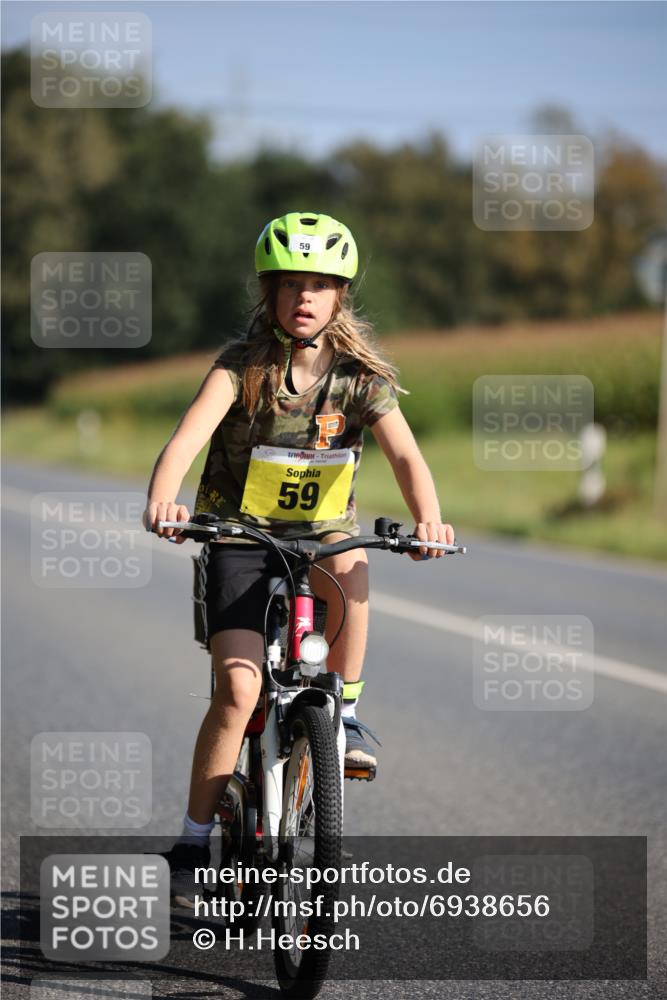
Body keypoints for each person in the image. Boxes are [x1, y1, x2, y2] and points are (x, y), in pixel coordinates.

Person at [143, 211, 454, 905]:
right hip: (238, 536)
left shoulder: (357, 378)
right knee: (239, 690)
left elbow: (405, 454)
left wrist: (428, 520)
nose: (304, 298)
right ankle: (193, 840)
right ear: (268, 293)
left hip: (318, 536)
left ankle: (340, 714)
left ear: (341, 296)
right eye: (289, 285)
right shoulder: (239, 369)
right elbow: (185, 441)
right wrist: (164, 500)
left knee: (350, 557)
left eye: (320, 285)